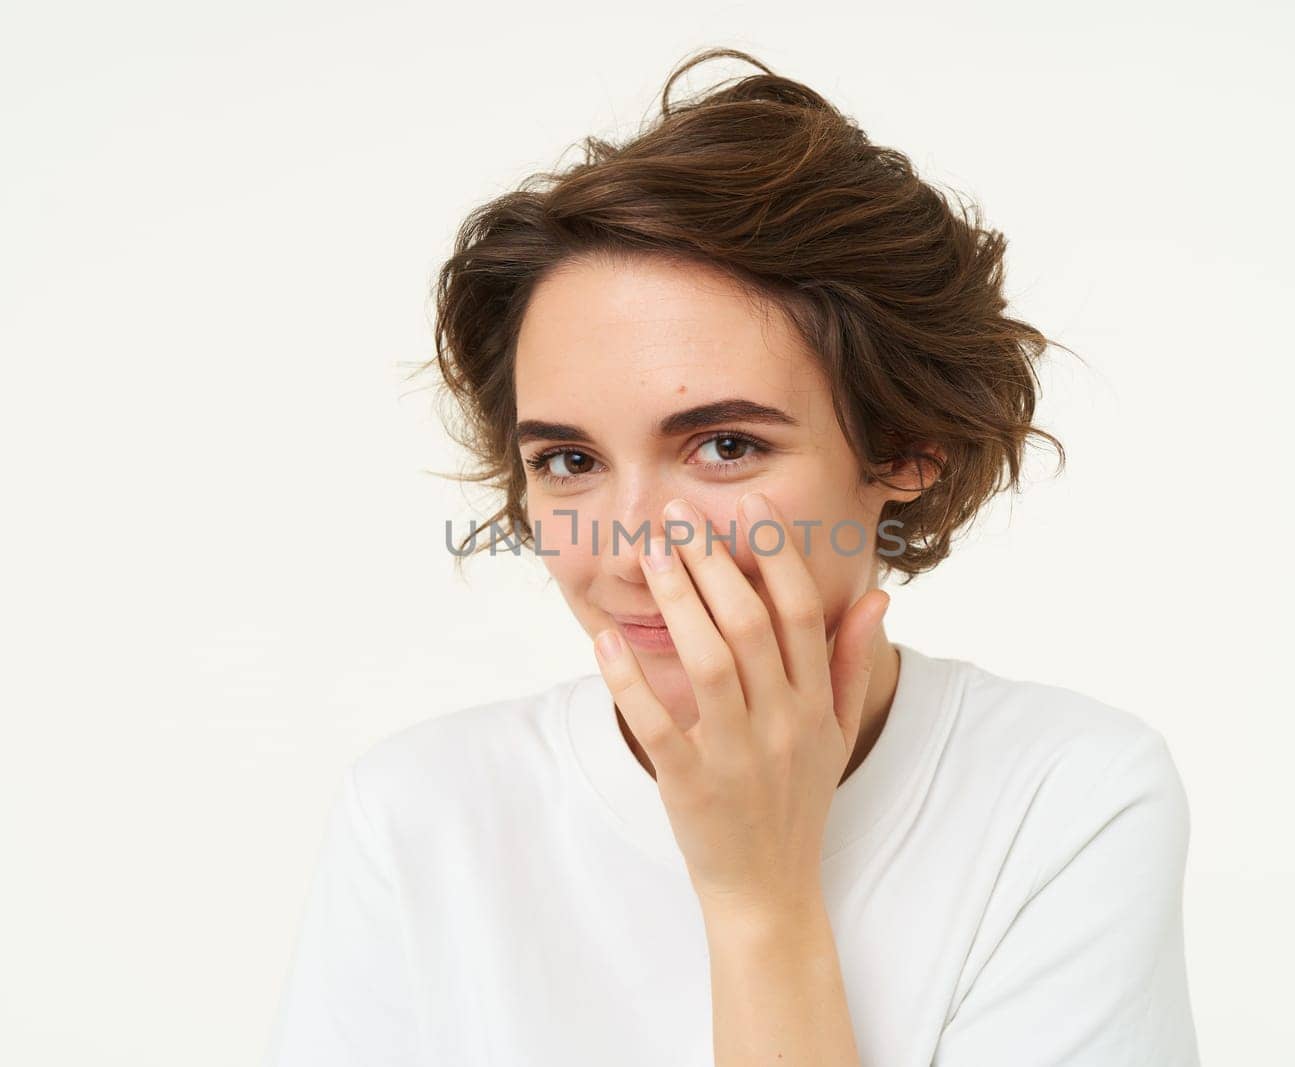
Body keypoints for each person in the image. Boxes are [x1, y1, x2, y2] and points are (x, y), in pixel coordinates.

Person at [265, 47, 1200, 1066]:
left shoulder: (1063, 793)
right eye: (569, 459)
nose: (629, 544)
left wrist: (760, 898)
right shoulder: (421, 813)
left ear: (906, 447)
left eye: (725, 445)